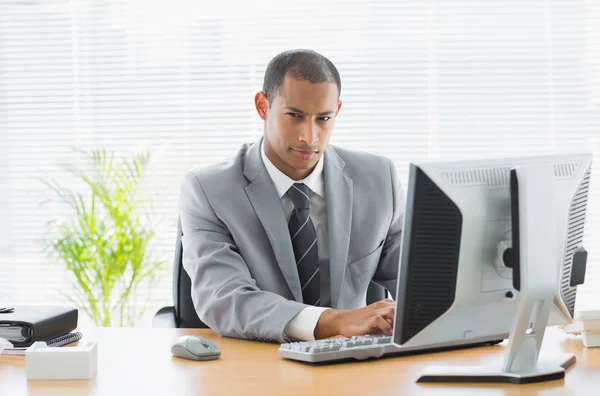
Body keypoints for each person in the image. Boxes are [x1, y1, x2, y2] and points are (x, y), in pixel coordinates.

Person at [179, 49, 404, 344]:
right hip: (259, 362)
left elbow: (419, 280)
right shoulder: (208, 190)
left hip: (356, 363)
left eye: (323, 118)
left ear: (337, 110)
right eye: (295, 116)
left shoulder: (378, 178)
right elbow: (224, 298)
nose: (309, 137)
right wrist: (337, 321)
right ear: (263, 106)